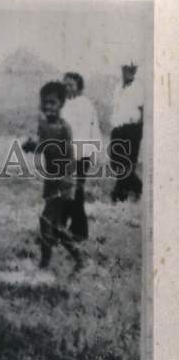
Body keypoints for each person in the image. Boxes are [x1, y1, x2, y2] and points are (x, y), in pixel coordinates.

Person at [23, 81, 83, 270]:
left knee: (46, 220)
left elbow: (65, 156)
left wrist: (38, 146)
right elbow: (42, 147)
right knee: (55, 225)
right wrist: (31, 146)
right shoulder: (43, 125)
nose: (48, 106)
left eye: (52, 103)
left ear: (61, 104)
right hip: (51, 181)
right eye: (45, 103)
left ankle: (45, 263)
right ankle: (78, 258)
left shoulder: (64, 128)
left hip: (64, 180)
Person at [61, 72, 101, 240]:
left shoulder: (87, 105)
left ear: (79, 86)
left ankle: (80, 231)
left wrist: (94, 153)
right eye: (65, 84)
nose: (68, 87)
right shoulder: (63, 105)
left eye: (71, 84)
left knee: (77, 192)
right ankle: (63, 227)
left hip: (82, 154)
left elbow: (95, 130)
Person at [109, 61, 144, 203]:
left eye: (130, 70)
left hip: (131, 129)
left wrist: (137, 131)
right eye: (125, 69)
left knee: (127, 163)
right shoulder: (118, 87)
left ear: (134, 71)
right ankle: (137, 187)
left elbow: (142, 109)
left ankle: (120, 194)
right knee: (115, 163)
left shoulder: (138, 87)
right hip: (117, 129)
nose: (127, 72)